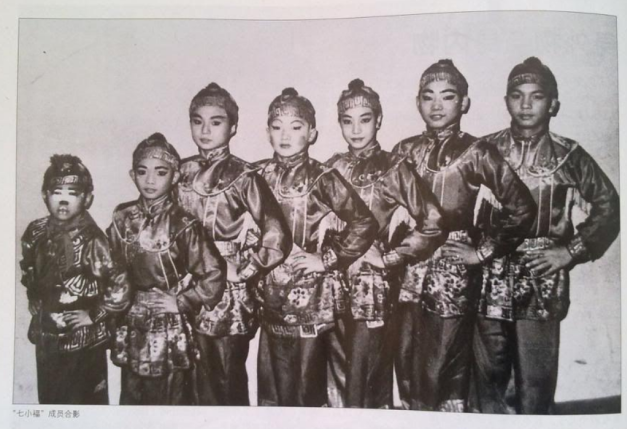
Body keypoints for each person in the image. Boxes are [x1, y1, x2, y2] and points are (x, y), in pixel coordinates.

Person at [472, 57, 620, 414]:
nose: (525, 104)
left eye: (536, 96)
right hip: (488, 272)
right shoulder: (484, 149)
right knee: (487, 377)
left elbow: (609, 207)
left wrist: (571, 251)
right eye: (517, 95)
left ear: (553, 104)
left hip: (541, 276)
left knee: (534, 381)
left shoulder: (569, 154)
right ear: (506, 101)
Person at [392, 59, 536, 411]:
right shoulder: (403, 150)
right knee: (405, 358)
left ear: (464, 103)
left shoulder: (478, 151)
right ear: (417, 102)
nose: (437, 105)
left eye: (448, 96)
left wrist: (482, 252)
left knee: (442, 362)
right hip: (407, 266)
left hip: (451, 270)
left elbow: (522, 208)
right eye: (428, 96)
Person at [325, 78, 447, 408]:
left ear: (378, 120)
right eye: (347, 121)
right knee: (337, 374)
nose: (356, 129)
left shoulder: (394, 167)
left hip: (371, 284)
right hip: (332, 281)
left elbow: (433, 221)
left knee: (365, 374)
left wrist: (391, 257)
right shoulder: (332, 166)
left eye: (364, 119)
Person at [255, 87, 378, 407]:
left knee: (305, 382)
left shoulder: (323, 177)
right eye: (277, 126)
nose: (285, 135)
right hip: (268, 291)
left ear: (312, 133)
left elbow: (364, 223)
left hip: (308, 292)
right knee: (274, 380)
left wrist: (326, 259)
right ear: (267, 132)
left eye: (295, 127)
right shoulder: (254, 175)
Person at [177, 82, 292, 405]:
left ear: (233, 127)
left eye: (216, 122)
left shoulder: (244, 175)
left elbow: (277, 233)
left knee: (225, 375)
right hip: (184, 281)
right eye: (197, 121)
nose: (205, 130)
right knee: (189, 376)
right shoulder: (179, 171)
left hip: (225, 292)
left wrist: (246, 269)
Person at [107, 133, 226, 405]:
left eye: (160, 173)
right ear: (132, 175)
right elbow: (110, 266)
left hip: (168, 321)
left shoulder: (183, 223)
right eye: (142, 172)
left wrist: (182, 301)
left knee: (170, 397)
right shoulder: (122, 217)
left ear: (175, 177)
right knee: (132, 395)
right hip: (131, 319)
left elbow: (213, 272)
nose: (150, 180)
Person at [20, 154, 130, 404]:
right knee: (50, 399)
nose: (63, 200)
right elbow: (29, 268)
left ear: (87, 198)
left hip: (84, 337)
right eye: (56, 192)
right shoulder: (36, 232)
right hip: (47, 334)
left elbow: (120, 283)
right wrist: (33, 295)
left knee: (85, 400)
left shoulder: (93, 239)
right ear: (44, 194)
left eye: (72, 193)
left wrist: (96, 314)